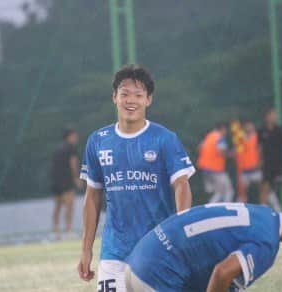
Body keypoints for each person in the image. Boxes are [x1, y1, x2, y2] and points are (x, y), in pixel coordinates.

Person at [77, 64, 195, 291]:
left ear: (148, 100)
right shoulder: (98, 141)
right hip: (114, 251)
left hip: (158, 247)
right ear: (114, 97)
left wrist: (181, 234)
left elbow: (182, 186)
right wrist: (86, 249)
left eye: (138, 95)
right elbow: (92, 197)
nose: (131, 100)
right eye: (125, 94)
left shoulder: (164, 138)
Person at [125, 188, 282, 291]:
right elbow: (223, 273)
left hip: (140, 259)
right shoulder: (267, 243)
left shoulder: (262, 215)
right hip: (157, 278)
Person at [258, 108, 282, 207]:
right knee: (264, 187)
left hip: (281, 163)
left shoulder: (281, 129)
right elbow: (260, 147)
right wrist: (260, 160)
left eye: (275, 114)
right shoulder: (261, 131)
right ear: (266, 117)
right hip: (268, 164)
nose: (274, 116)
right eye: (272, 114)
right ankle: (262, 211)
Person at [50, 128, 81, 240]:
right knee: (69, 207)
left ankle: (55, 232)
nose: (76, 138)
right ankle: (68, 231)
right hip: (67, 182)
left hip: (56, 182)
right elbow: (73, 163)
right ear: (70, 136)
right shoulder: (71, 148)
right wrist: (76, 178)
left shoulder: (57, 148)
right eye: (75, 136)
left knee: (57, 207)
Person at [197, 123, 234, 203]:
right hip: (216, 170)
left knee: (218, 192)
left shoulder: (209, 136)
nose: (226, 132)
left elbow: (199, 148)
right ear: (223, 129)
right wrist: (232, 154)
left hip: (205, 170)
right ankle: (225, 211)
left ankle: (209, 209)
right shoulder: (220, 138)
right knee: (228, 191)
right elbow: (221, 152)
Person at [237, 120, 262, 201]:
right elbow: (238, 152)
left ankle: (275, 208)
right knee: (242, 192)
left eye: (250, 125)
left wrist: (260, 162)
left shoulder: (257, 137)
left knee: (264, 189)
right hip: (244, 170)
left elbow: (261, 150)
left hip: (256, 168)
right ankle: (240, 210)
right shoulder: (240, 138)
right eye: (247, 126)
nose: (249, 127)